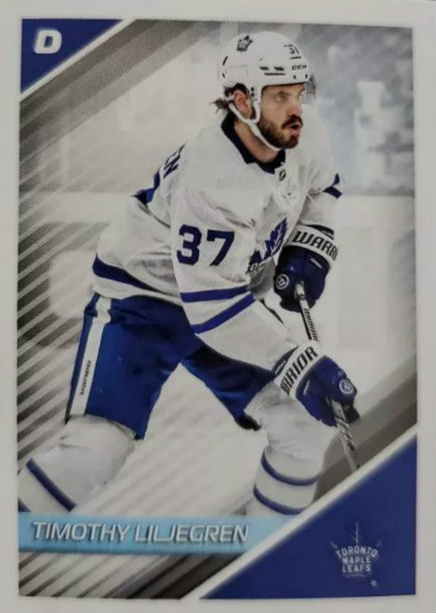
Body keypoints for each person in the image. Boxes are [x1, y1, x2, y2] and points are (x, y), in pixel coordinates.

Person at [18, 31, 358, 517]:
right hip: (145, 299)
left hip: (223, 297)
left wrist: (310, 242)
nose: (295, 108)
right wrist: (297, 361)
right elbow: (214, 310)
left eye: (299, 93)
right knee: (96, 450)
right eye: (280, 96)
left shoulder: (304, 133)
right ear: (242, 101)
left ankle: (270, 549)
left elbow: (323, 189)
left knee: (302, 426)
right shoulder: (211, 175)